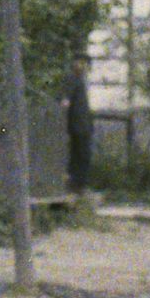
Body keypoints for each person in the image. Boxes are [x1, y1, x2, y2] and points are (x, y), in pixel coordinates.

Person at [65, 52, 95, 196]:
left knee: (83, 155)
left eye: (85, 64)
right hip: (77, 125)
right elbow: (66, 101)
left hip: (84, 124)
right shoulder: (73, 79)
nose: (83, 66)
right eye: (80, 63)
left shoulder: (82, 80)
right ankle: (77, 185)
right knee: (80, 155)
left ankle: (79, 185)